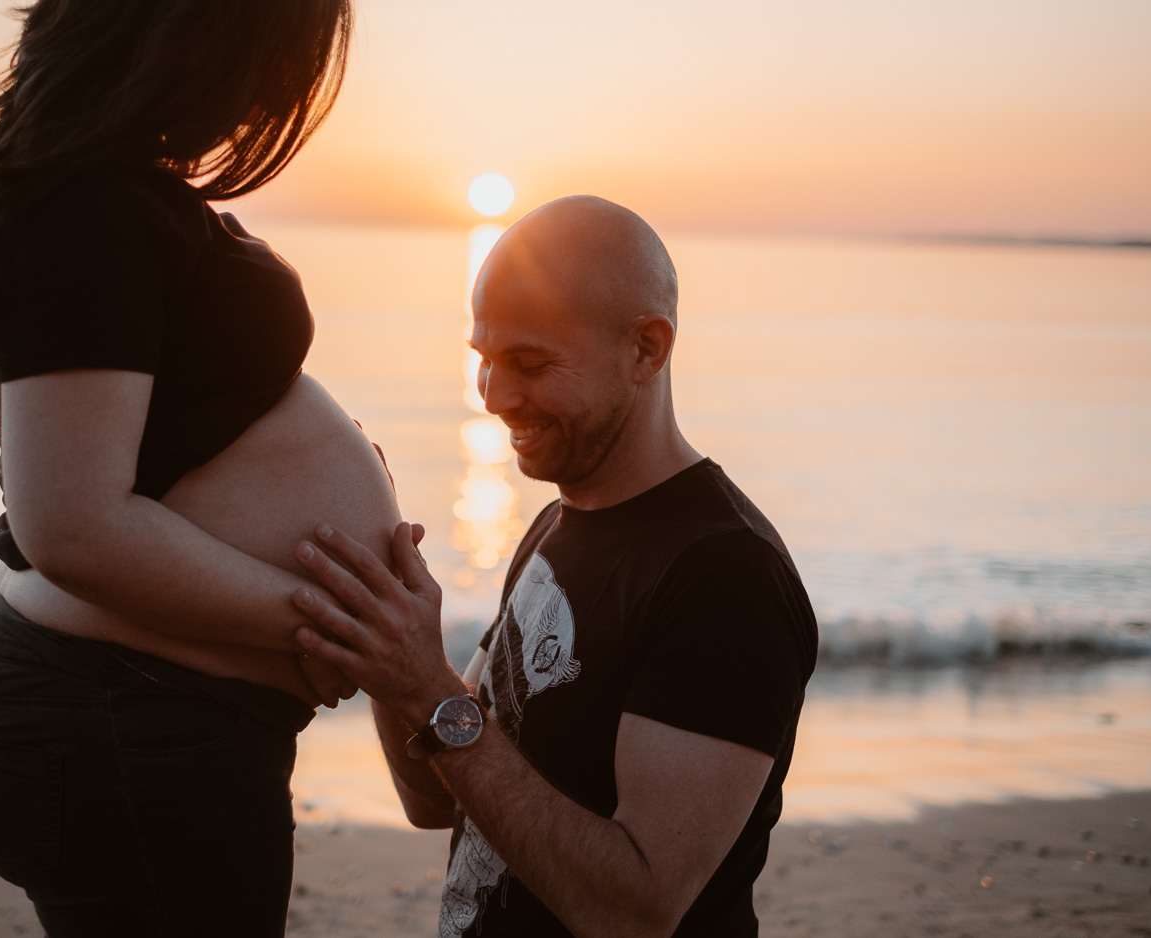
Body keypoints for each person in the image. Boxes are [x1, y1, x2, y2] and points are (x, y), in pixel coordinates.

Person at [0, 2, 404, 935]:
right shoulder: (74, 201)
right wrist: (331, 627)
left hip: (136, 714)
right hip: (122, 719)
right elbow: (72, 525)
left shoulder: (90, 185)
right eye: (274, 63)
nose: (264, 100)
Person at [291, 196, 819, 937]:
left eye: (531, 364)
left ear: (647, 349)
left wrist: (425, 682)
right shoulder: (556, 523)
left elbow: (633, 912)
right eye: (484, 361)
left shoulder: (727, 578)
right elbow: (437, 797)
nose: (495, 398)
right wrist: (390, 654)